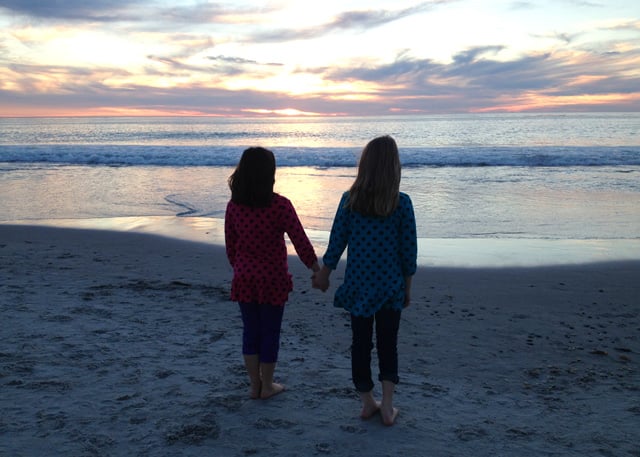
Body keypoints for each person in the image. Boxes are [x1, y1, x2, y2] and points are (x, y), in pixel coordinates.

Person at [313, 135, 417, 426]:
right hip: (390, 287)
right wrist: (407, 289)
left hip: (359, 286)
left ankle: (367, 402)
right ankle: (387, 406)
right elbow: (409, 252)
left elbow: (337, 242)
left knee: (360, 344)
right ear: (393, 167)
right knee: (388, 344)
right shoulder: (402, 204)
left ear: (365, 166)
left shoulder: (350, 200)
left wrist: (324, 273)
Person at [225, 146, 320, 400]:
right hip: (272, 278)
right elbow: (300, 240)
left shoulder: (234, 206)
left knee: (250, 331)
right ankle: (267, 385)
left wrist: (241, 268)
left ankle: (253, 385)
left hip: (244, 277)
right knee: (270, 332)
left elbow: (230, 246)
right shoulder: (280, 206)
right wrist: (316, 269)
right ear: (270, 174)